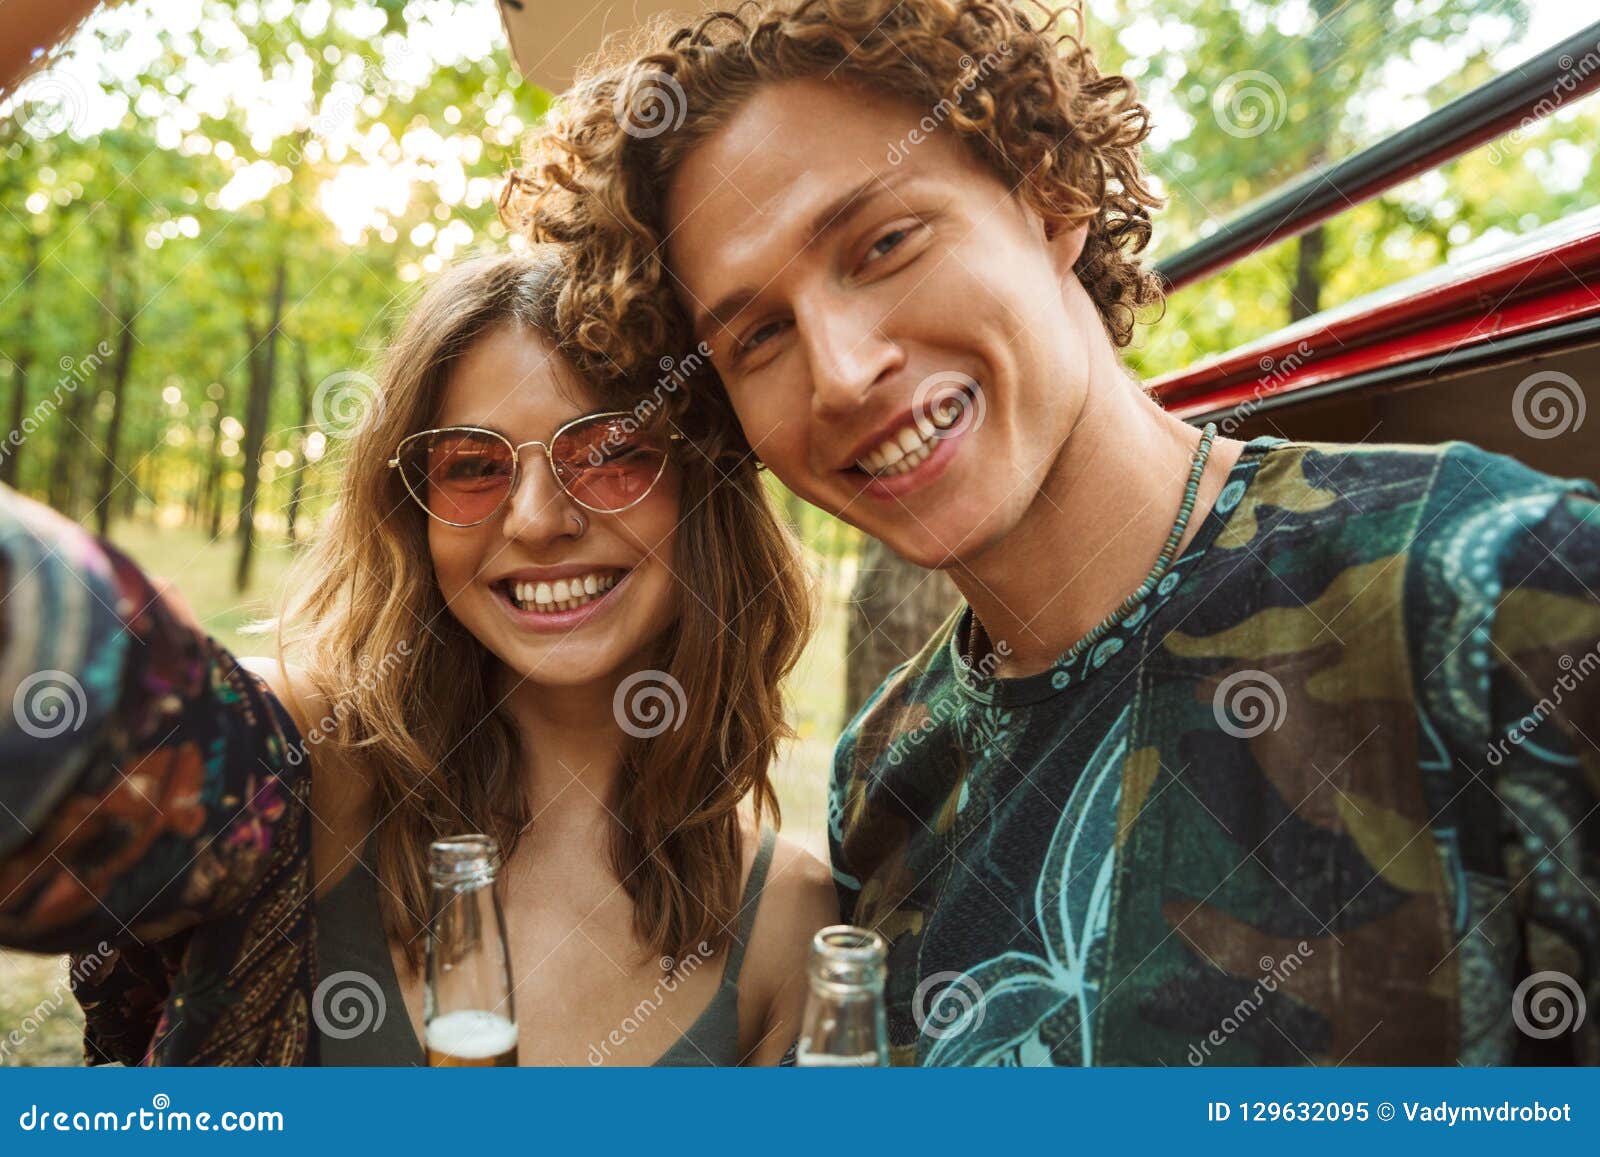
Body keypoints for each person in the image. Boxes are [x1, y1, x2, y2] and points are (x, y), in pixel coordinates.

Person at [513, 0, 1600, 1065]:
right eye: (757, 335)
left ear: (1052, 195)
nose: (841, 371)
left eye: (885, 242)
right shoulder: (883, 774)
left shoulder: (1497, 584)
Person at [0, 247, 837, 1066]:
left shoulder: (784, 917)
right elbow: (105, 753)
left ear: (702, 487)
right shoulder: (313, 761)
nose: (538, 520)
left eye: (611, 452)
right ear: (414, 513)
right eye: (472, 467)